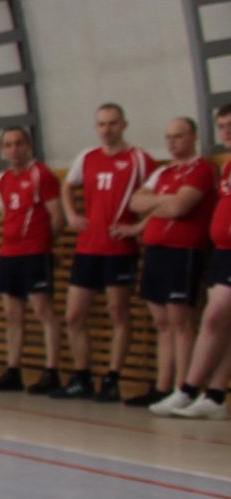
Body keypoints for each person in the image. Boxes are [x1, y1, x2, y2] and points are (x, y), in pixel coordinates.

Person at [118, 115, 215, 408]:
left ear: (193, 137)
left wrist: (159, 203)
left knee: (180, 321)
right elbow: (135, 202)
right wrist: (165, 200)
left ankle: (182, 388)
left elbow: (178, 208)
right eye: (168, 137)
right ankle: (163, 386)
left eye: (179, 136)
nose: (172, 142)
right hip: (156, 250)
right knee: (162, 322)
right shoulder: (163, 172)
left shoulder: (201, 169)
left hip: (182, 252)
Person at [58, 103, 151, 402]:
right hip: (88, 247)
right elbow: (67, 186)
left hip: (119, 249)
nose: (107, 129)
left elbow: (160, 197)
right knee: (74, 315)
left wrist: (137, 227)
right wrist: (72, 214)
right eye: (101, 124)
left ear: (124, 125)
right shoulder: (87, 157)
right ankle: (82, 376)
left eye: (112, 123)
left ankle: (112, 379)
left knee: (118, 313)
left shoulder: (139, 159)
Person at [155, 102, 231, 419]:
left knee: (213, 317)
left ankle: (187, 388)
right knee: (223, 324)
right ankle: (215, 395)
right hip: (222, 251)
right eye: (222, 126)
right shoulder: (228, 166)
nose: (226, 132)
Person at [0, 126, 65, 395]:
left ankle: (51, 371)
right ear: (2, 150)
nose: (14, 149)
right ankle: (13, 370)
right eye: (8, 145)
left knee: (43, 310)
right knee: (12, 314)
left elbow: (57, 217)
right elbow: (8, 215)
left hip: (34, 253)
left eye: (19, 143)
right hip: (9, 253)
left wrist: (44, 246)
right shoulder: (2, 180)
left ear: (28, 146)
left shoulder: (41, 174)